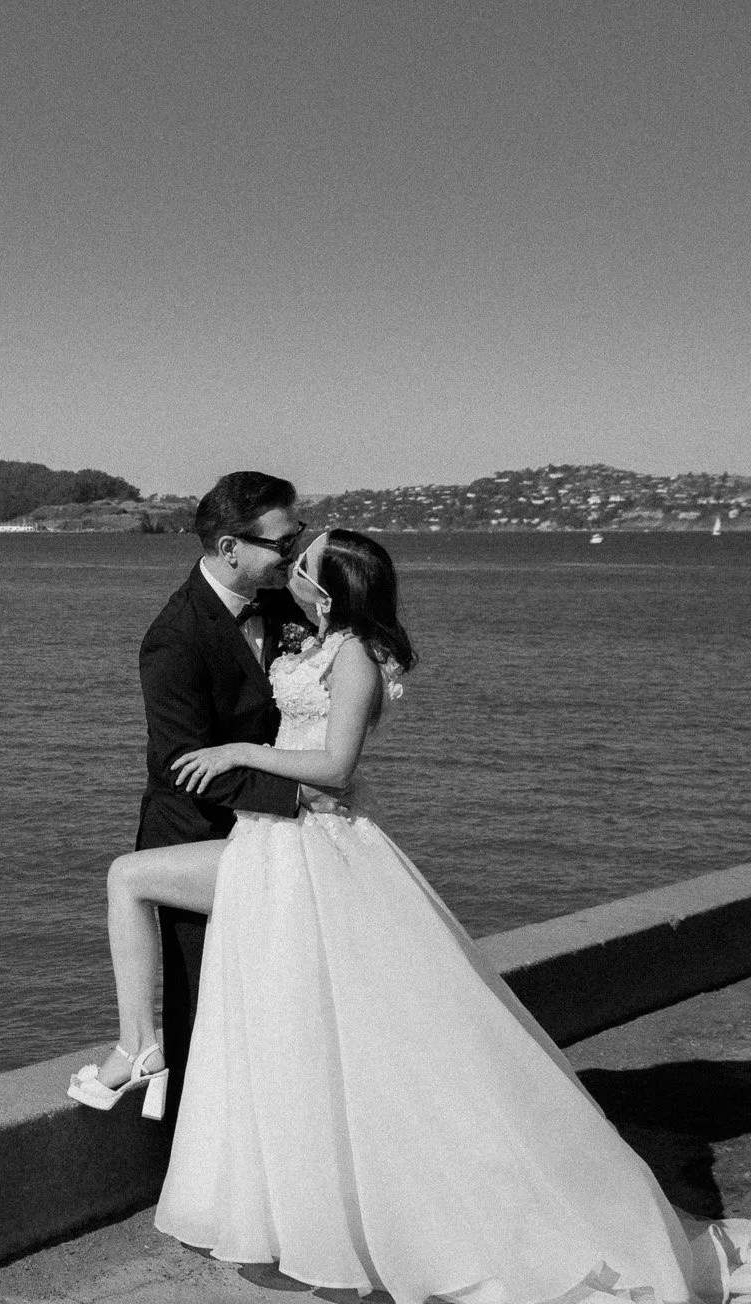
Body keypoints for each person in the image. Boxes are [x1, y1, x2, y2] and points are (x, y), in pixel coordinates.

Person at [70, 529, 748, 1303]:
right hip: (272, 844)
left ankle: (172, 1077)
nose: (287, 569)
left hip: (313, 850)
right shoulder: (317, 635)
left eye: (301, 564)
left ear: (328, 589)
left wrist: (237, 754)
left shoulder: (353, 653)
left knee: (338, 1035)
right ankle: (148, 1052)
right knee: (175, 921)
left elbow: (335, 769)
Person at [126, 471, 310, 1095]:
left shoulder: (289, 606)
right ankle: (188, 1164)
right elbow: (186, 764)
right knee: (201, 1013)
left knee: (280, 1005)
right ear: (231, 548)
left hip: (275, 841)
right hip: (194, 836)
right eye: (284, 544)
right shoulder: (173, 640)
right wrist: (297, 804)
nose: (296, 554)